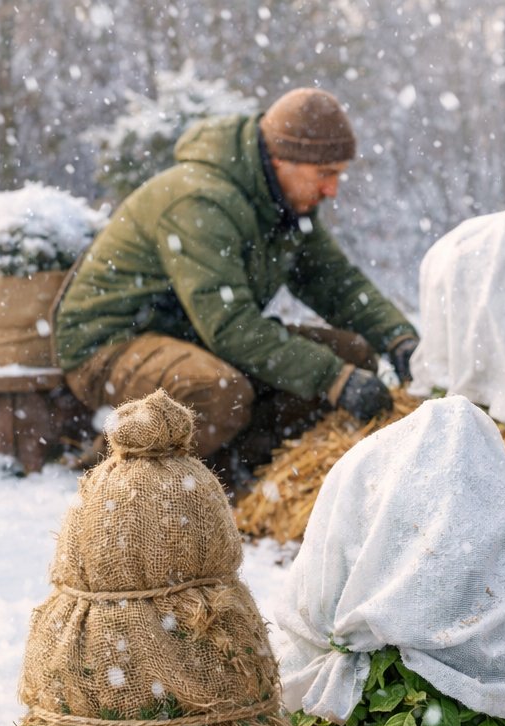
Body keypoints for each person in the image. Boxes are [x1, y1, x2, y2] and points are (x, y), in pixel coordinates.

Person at [53, 87, 418, 485]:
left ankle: (233, 470)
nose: (332, 189)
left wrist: (398, 339)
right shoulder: (201, 200)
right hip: (111, 344)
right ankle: (115, 477)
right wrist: (334, 379)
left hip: (194, 337)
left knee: (353, 354)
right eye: (324, 174)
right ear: (281, 160)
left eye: (338, 175)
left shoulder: (288, 204)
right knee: (217, 392)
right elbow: (230, 326)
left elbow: (338, 284)